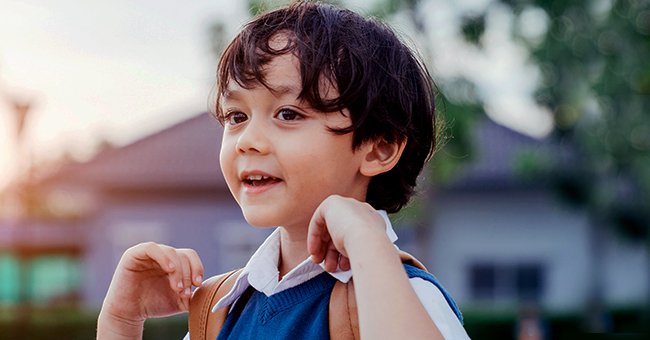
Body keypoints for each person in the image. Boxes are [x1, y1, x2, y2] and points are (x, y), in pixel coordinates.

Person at [97, 2, 470, 339]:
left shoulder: (410, 299)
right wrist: (120, 322)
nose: (247, 141)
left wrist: (366, 238)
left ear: (379, 148)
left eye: (288, 114)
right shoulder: (218, 314)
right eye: (236, 116)